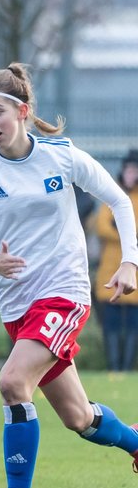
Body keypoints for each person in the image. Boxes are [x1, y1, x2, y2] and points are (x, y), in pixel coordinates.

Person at [0, 63, 138, 488]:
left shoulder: (60, 155)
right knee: (79, 418)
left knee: (12, 382)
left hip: (64, 293)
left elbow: (120, 201)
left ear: (23, 112)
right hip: (18, 307)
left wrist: (130, 262)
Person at [92, 149, 138, 372]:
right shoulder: (114, 196)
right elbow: (101, 226)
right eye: (128, 170)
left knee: (132, 326)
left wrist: (118, 231)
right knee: (110, 324)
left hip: (133, 272)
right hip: (110, 270)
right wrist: (128, 235)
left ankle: (126, 367)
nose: (130, 175)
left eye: (134, 170)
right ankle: (113, 367)